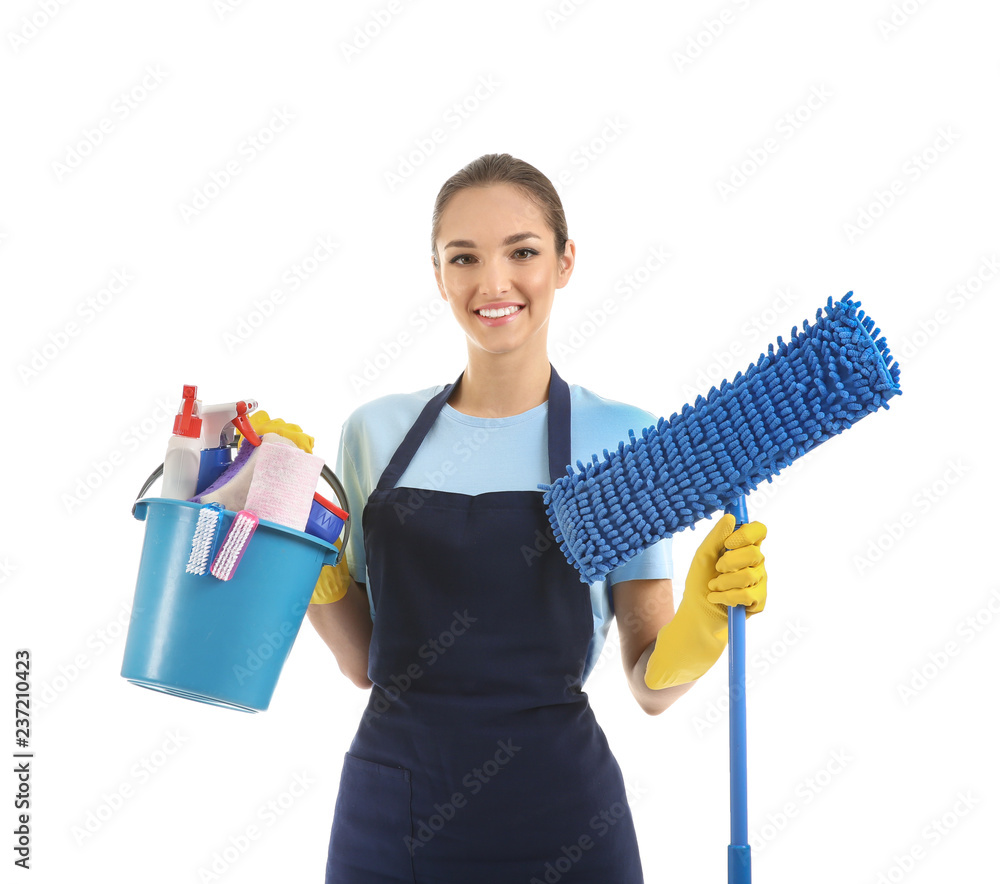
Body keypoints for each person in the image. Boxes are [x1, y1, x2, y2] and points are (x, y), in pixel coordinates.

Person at [306, 153, 768, 883]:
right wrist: (302, 564)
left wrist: (707, 621)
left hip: (564, 821)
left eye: (522, 252)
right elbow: (366, 662)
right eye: (464, 258)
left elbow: (649, 684)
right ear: (438, 275)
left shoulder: (622, 441)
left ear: (564, 262)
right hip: (392, 817)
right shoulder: (375, 433)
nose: (494, 284)